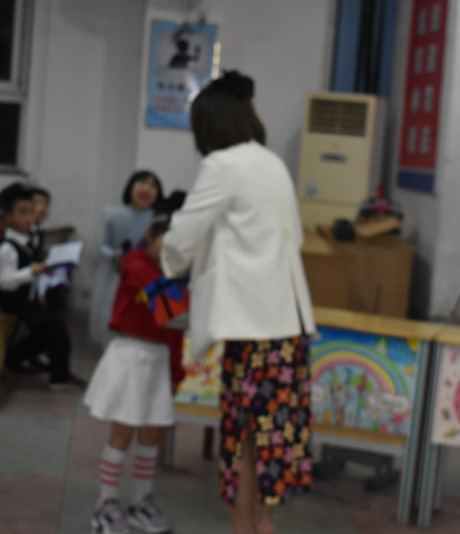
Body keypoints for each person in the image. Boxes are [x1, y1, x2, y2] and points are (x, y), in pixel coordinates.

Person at [160, 70, 316, 534]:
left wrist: (167, 257)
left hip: (252, 330)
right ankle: (258, 526)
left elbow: (184, 234)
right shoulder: (272, 163)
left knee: (241, 443)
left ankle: (250, 529)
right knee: (266, 448)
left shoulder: (223, 165)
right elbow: (294, 238)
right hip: (288, 327)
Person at [84, 214, 186, 534]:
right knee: (123, 432)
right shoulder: (136, 262)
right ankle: (106, 504)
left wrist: (175, 373)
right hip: (129, 356)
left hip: (159, 360)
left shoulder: (176, 276)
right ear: (151, 235)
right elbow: (172, 310)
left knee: (152, 433)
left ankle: (141, 501)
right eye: (168, 241)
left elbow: (176, 331)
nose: (174, 250)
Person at [0, 182, 85, 390]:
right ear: (8, 217)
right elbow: (5, 282)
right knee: (55, 327)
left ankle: (12, 358)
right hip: (11, 298)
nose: (29, 218)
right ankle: (59, 377)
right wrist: (32, 271)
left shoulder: (28, 235)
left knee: (51, 322)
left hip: (25, 294)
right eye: (22, 213)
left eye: (31, 213)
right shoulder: (7, 248)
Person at [89, 170, 162, 347]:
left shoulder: (158, 219)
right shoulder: (115, 215)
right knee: (111, 312)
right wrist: (113, 255)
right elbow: (102, 244)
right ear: (130, 187)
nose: (146, 189)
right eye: (142, 183)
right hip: (114, 275)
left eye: (152, 186)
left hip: (146, 278)